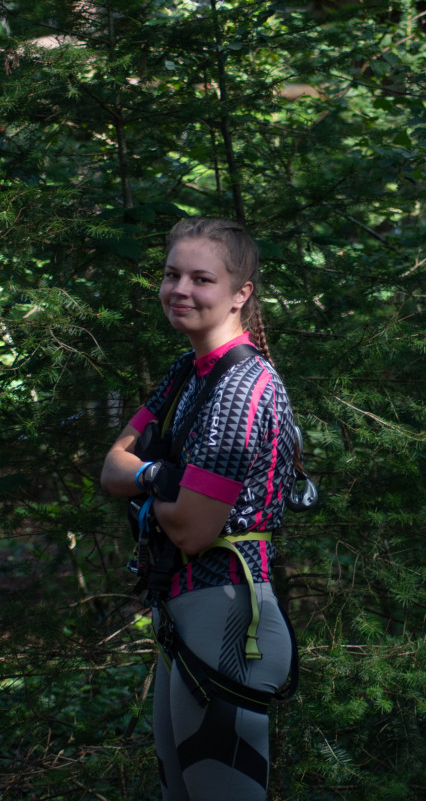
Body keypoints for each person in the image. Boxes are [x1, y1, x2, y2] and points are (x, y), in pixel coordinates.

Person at [101, 217, 297, 801]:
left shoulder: (243, 387)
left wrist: (150, 485)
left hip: (227, 610)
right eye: (171, 274)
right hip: (181, 609)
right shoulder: (187, 372)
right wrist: (163, 477)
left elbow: (192, 527)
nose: (179, 289)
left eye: (201, 278)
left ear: (241, 294)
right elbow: (113, 466)